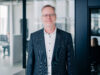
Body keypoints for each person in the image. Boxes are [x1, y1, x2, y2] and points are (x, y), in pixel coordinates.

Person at [26, 5, 74, 75]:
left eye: (51, 14)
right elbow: (30, 63)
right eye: (45, 15)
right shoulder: (34, 37)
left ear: (55, 17)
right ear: (41, 18)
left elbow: (71, 64)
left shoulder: (66, 37)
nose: (48, 17)